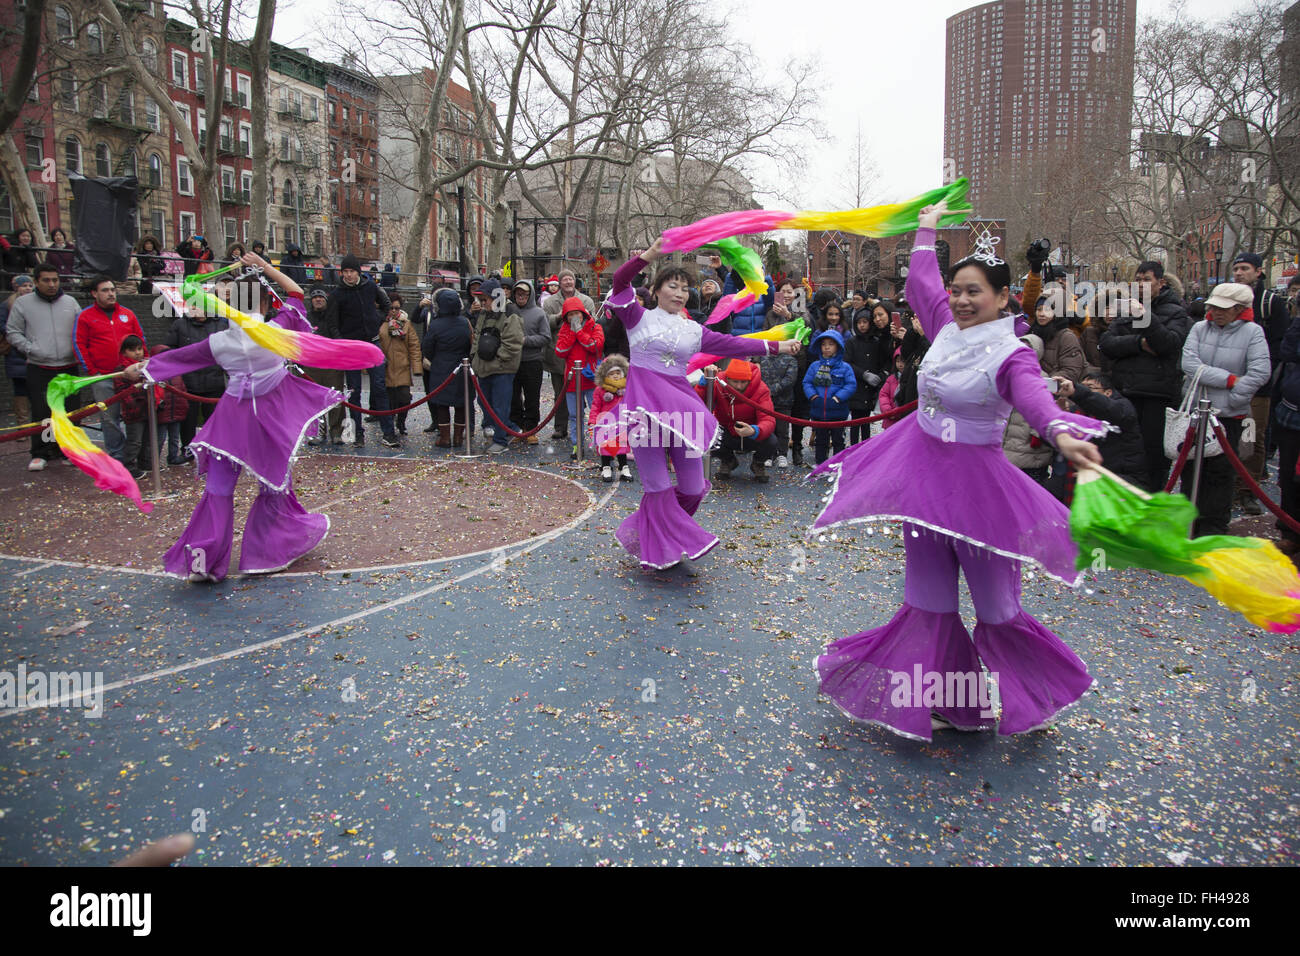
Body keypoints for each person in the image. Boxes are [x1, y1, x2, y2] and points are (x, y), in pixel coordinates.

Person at [812, 201, 1110, 741]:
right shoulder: (944, 327)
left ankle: (1037, 693)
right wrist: (926, 227)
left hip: (980, 494)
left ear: (1001, 298)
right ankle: (958, 705)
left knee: (997, 610)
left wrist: (1064, 432)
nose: (963, 299)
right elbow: (922, 280)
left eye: (975, 291)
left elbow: (1036, 401)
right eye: (958, 290)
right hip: (923, 484)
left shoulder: (1013, 353)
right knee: (929, 605)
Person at [124, 253, 349, 582]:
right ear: (264, 304)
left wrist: (141, 367)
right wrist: (267, 267)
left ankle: (202, 561)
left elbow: (177, 358)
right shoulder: (278, 331)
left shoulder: (219, 341)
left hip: (229, 422)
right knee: (273, 484)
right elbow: (297, 295)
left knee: (217, 489)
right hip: (269, 421)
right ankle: (266, 554)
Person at [605, 238, 802, 570]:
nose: (680, 292)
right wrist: (650, 255)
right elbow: (620, 281)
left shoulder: (693, 330)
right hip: (644, 416)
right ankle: (661, 545)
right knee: (657, 487)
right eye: (673, 285)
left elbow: (735, 344)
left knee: (694, 489)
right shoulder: (635, 317)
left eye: (685, 287)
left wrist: (781, 347)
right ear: (655, 289)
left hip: (684, 416)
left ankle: (652, 528)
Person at [1179, 282, 1271, 536]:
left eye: (1224, 308)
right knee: (1189, 471)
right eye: (1214, 307)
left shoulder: (1253, 332)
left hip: (1229, 416)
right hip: (1196, 412)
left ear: (1239, 309)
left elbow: (1260, 372)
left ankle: (1213, 530)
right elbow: (1189, 363)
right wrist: (1230, 380)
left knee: (1220, 475)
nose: (1216, 312)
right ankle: (1187, 524)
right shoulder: (1199, 328)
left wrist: (1235, 398)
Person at [1099, 260, 1191, 492]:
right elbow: (1108, 343)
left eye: (1146, 280)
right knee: (1120, 453)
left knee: (1153, 460)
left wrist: (1146, 317)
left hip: (1156, 397)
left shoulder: (1177, 312)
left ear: (1160, 283)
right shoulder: (1126, 310)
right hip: (1125, 391)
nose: (1140, 285)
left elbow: (1167, 345)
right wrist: (1139, 343)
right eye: (1137, 280)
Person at [1231, 252, 1292, 516]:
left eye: (1244, 268)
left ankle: (1247, 490)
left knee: (1251, 437)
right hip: (1227, 383)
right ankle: (1226, 486)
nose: (1238, 273)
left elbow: (1280, 346)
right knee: (1226, 436)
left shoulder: (1270, 303)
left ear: (1258, 272)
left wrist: (1258, 374)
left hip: (1257, 386)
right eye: (1235, 269)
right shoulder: (1225, 300)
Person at [5, 263, 80, 470]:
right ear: (36, 281)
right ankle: (41, 452)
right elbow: (13, 332)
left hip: (68, 365)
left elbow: (80, 329)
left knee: (71, 411)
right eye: (46, 280)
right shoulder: (23, 304)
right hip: (39, 366)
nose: (52, 284)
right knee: (42, 411)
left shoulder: (70, 302)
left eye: (55, 280)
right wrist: (30, 348)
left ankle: (70, 451)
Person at [327, 253, 399, 448]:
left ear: (358, 272)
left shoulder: (371, 287)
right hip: (351, 347)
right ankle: (358, 432)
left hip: (371, 342)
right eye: (345, 272)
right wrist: (342, 342)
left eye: (351, 271)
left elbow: (386, 305)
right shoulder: (337, 294)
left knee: (379, 387)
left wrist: (378, 320)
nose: (348, 275)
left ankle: (388, 432)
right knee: (354, 391)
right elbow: (332, 323)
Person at [75, 275, 146, 467]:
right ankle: (117, 456)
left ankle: (135, 454)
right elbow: (79, 344)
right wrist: (92, 372)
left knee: (136, 415)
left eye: (113, 290)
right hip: (104, 376)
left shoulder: (128, 314)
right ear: (94, 293)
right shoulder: (85, 316)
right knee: (109, 418)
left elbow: (140, 338)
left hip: (130, 375)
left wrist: (143, 364)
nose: (111, 294)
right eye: (105, 290)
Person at [162, 285, 229, 453]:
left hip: (214, 381)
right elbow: (169, 349)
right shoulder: (180, 325)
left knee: (214, 420)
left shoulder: (220, 324)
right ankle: (188, 448)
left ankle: (213, 448)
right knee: (188, 421)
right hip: (188, 383)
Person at [1054, 372, 1146, 488]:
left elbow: (1105, 407)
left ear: (1108, 392)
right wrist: (1060, 417)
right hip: (1076, 480)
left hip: (1117, 480)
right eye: (1083, 386)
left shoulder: (1123, 408)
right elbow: (1052, 442)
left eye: (1090, 387)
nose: (1084, 390)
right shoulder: (1075, 411)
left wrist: (1077, 392)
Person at [698, 359, 778, 482]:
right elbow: (697, 402)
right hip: (726, 431)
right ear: (727, 379)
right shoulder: (718, 383)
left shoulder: (761, 389)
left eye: (743, 382)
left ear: (749, 380)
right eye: (735, 382)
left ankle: (758, 462)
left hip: (752, 432)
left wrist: (755, 430)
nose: (739, 386)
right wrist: (704, 383)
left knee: (771, 441)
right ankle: (728, 460)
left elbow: (768, 418)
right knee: (706, 436)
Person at [471, 277, 524, 454]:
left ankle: (501, 439)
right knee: (485, 402)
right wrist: (475, 357)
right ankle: (510, 428)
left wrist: (496, 360)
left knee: (500, 405)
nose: (482, 303)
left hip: (502, 369)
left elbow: (513, 343)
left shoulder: (511, 314)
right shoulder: (484, 314)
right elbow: (477, 336)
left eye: (485, 299)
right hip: (484, 367)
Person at [542, 273, 595, 440]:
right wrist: (559, 316)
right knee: (561, 393)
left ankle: (595, 433)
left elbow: (593, 323)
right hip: (560, 352)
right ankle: (560, 427)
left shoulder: (586, 300)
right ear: (560, 283)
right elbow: (545, 323)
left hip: (585, 357)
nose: (568, 281)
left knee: (592, 397)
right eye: (564, 279)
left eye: (570, 278)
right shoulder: (550, 302)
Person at [422, 288, 474, 448]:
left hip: (441, 368)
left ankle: (444, 438)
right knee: (461, 403)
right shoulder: (465, 322)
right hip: (461, 366)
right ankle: (458, 437)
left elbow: (427, 347)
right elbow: (470, 344)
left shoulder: (436, 325)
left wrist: (436, 358)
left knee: (442, 404)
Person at [555, 296, 604, 459]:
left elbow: (595, 346)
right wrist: (572, 334)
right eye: (570, 314)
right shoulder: (564, 329)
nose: (574, 317)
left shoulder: (594, 326)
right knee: (574, 415)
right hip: (572, 380)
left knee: (597, 413)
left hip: (591, 379)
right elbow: (560, 351)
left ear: (583, 313)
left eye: (577, 313)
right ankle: (578, 445)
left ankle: (600, 444)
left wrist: (580, 333)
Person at [1272, 308, 1300, 563]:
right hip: (1292, 411)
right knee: (1288, 477)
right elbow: (1288, 351)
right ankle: (1290, 531)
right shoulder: (1296, 325)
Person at [803, 329, 856, 464]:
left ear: (838, 347)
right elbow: (807, 382)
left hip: (838, 410)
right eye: (824, 344)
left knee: (838, 440)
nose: (826, 347)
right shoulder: (815, 366)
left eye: (831, 344)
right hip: (819, 410)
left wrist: (838, 398)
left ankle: (837, 463)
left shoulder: (845, 367)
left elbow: (850, 385)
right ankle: (821, 463)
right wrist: (813, 396)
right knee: (820, 440)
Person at [508, 279, 551, 445]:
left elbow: (545, 337)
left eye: (524, 293)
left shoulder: (539, 313)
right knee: (513, 397)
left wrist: (525, 341)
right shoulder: (508, 311)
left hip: (532, 361)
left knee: (532, 398)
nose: (521, 296)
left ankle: (530, 429)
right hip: (511, 362)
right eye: (518, 293)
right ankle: (517, 428)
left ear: (530, 294)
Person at [302, 288, 344, 445]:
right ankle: (318, 432)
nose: (318, 300)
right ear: (311, 301)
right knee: (314, 400)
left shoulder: (334, 316)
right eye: (315, 297)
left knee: (335, 399)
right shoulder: (305, 318)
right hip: (312, 363)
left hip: (332, 362)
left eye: (321, 297)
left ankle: (336, 431)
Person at [844, 303, 891, 445]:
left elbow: (883, 361)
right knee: (855, 421)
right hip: (857, 385)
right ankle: (853, 447)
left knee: (866, 422)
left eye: (865, 322)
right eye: (859, 322)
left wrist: (881, 375)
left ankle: (865, 446)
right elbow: (847, 362)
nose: (862, 326)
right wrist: (863, 374)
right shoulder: (852, 342)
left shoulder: (876, 342)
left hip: (871, 387)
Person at [377, 293, 421, 436]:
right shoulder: (379, 324)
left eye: (396, 308)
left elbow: (414, 346)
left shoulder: (406, 325)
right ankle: (389, 426)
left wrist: (417, 368)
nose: (394, 311)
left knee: (404, 398)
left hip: (402, 368)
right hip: (385, 368)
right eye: (391, 308)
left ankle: (401, 422)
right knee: (388, 401)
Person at [757, 319, 799, 468]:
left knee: (782, 429)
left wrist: (773, 389)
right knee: (768, 428)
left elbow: (790, 379)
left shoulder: (790, 360)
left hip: (784, 400)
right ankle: (768, 454)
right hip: (766, 400)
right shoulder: (764, 358)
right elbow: (758, 375)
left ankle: (782, 454)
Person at [589, 353, 632, 481]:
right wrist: (593, 421)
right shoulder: (600, 390)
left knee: (622, 446)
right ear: (605, 375)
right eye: (611, 373)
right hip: (605, 423)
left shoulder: (626, 389)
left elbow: (632, 404)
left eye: (618, 373)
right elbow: (595, 406)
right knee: (606, 446)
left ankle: (624, 467)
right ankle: (606, 467)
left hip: (621, 423)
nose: (615, 375)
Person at [0, 274, 34, 426]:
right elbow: (4, 326)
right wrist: (20, 336)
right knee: (20, 389)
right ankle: (23, 424)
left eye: (29, 285)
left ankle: (39, 423)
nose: (27, 288)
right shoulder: (7, 305)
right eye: (24, 285)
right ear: (16, 288)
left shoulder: (36, 303)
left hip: (35, 350)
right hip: (15, 352)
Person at [1031, 294, 1085, 383]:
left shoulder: (1066, 337)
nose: (1041, 314)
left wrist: (1045, 381)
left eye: (1047, 310)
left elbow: (1071, 371)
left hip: (1057, 391)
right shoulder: (1032, 332)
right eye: (1039, 309)